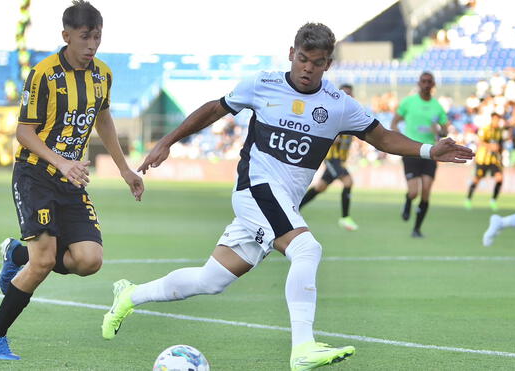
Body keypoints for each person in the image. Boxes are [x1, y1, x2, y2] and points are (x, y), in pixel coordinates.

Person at [100, 23, 473, 371]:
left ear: (328, 64)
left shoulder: (338, 104)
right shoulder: (261, 84)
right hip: (255, 190)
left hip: (279, 202)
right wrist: (167, 140)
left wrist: (428, 150)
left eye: (318, 63)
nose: (308, 68)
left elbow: (381, 136)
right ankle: (303, 347)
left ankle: (130, 295)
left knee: (210, 280)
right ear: (291, 53)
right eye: (302, 59)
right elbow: (214, 109)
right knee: (307, 249)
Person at [0, 1, 144, 360]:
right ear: (66, 35)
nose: (92, 46)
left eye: (97, 38)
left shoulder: (103, 75)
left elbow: (103, 120)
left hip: (70, 181)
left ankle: (16, 253)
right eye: (85, 37)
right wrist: (62, 162)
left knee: (88, 260)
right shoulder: (43, 74)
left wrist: (124, 169)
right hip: (35, 176)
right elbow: (24, 133)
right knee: (42, 263)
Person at [390, 72, 449, 238]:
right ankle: (408, 200)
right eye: (423, 81)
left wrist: (438, 129)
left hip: (431, 152)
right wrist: (399, 138)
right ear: (419, 83)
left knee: (426, 191)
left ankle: (416, 229)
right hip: (411, 150)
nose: (426, 84)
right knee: (414, 191)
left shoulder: (437, 106)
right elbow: (394, 122)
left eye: (429, 81)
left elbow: (445, 130)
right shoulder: (409, 102)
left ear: (433, 84)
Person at [299, 84, 359, 231]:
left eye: (350, 94)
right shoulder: (331, 112)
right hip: (331, 158)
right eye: (344, 93)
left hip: (340, 159)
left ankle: (294, 209)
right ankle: (345, 218)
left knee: (320, 187)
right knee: (348, 182)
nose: (347, 96)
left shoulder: (351, 113)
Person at [464, 112, 504, 211]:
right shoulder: (485, 129)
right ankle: (468, 198)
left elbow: (499, 144)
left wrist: (500, 150)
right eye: (495, 119)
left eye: (498, 120)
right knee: (477, 179)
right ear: (492, 119)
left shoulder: (499, 131)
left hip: (494, 160)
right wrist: (491, 146)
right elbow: (480, 142)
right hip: (482, 159)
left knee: (500, 178)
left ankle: (493, 201)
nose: (496, 121)